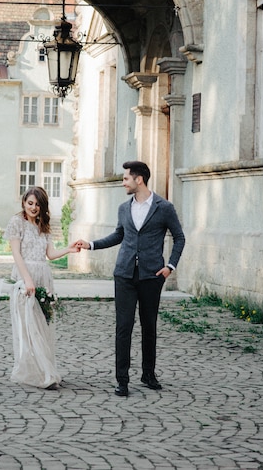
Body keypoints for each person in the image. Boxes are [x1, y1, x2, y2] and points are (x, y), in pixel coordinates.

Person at [77, 161, 185, 397]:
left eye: (126, 178)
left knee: (149, 327)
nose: (123, 182)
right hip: (124, 275)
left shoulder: (164, 207)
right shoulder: (124, 209)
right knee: (123, 328)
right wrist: (91, 244)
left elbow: (179, 237)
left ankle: (148, 374)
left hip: (151, 276)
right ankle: (122, 380)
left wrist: (169, 267)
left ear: (139, 180)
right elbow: (118, 235)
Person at [6, 186, 80, 390]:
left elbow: (50, 254)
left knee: (43, 326)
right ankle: (39, 373)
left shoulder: (43, 225)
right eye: (30, 203)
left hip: (43, 278)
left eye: (38, 204)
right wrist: (27, 280)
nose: (34, 207)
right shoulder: (16, 223)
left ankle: (44, 369)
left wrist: (68, 249)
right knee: (29, 327)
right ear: (23, 203)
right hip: (24, 278)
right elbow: (17, 254)